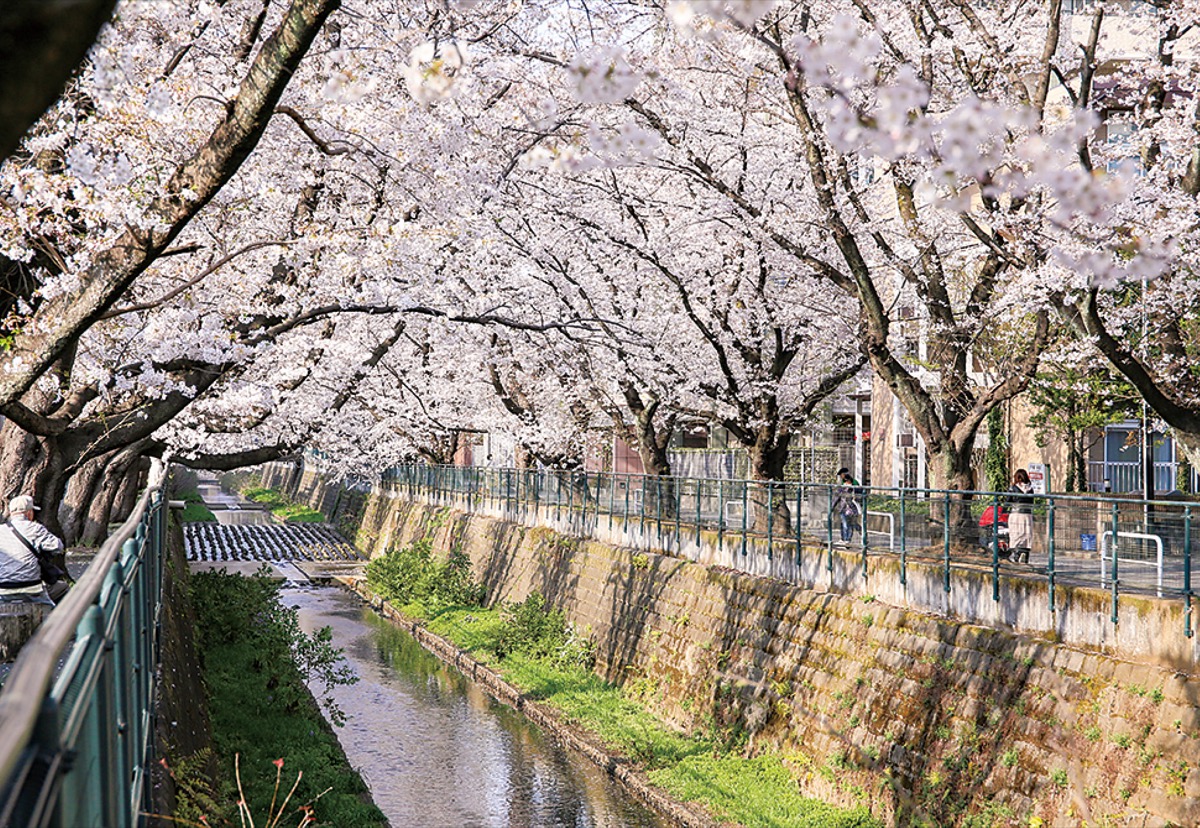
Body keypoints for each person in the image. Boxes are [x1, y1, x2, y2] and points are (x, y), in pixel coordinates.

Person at [0, 494, 67, 604]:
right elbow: (58, 547)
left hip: (3, 588)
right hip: (31, 587)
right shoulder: (35, 528)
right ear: (29, 513)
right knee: (62, 589)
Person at [1006, 470, 1035, 564]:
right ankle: (1025, 555)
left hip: (1016, 514)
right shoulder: (1030, 489)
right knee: (1027, 535)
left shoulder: (1013, 488)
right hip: (1027, 515)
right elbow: (1031, 502)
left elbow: (1008, 501)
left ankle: (1016, 554)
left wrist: (1002, 511)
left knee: (1015, 535)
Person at [832, 472, 860, 543]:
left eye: (849, 482)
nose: (847, 483)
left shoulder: (853, 489)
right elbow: (836, 498)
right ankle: (844, 539)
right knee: (844, 524)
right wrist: (831, 507)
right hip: (843, 509)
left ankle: (847, 539)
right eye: (846, 482)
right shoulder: (841, 489)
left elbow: (858, 497)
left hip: (852, 510)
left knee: (850, 524)